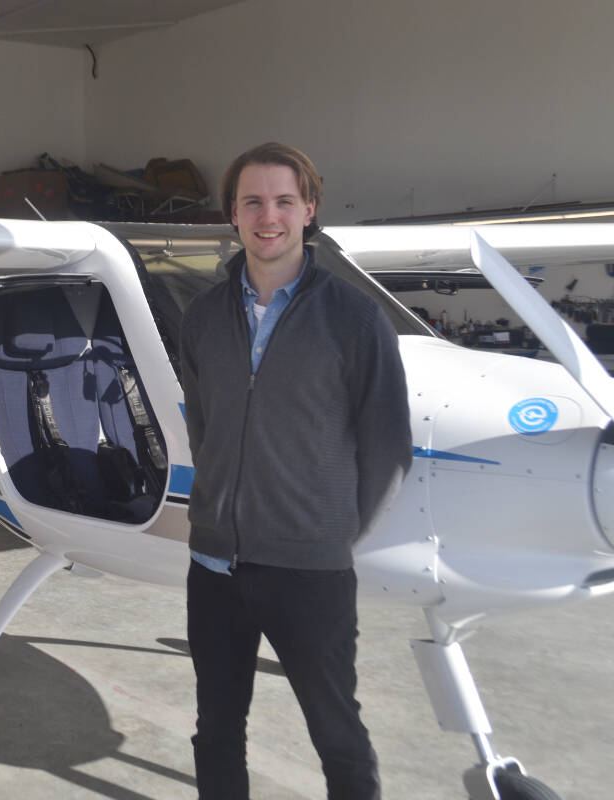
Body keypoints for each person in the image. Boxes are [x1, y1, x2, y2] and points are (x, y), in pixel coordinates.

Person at [179, 142, 411, 799]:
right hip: (215, 568)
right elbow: (207, 428)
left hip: (310, 571)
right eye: (252, 201)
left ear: (310, 210)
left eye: (284, 200)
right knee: (217, 731)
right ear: (233, 214)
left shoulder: (356, 320)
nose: (268, 215)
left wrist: (327, 534)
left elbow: (388, 449)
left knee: (338, 737)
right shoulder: (200, 319)